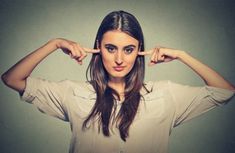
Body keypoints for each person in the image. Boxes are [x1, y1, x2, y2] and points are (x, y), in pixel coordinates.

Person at [1, 10, 235, 153]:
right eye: (111, 48)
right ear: (98, 49)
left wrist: (181, 55)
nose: (120, 59)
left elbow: (224, 91)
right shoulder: (73, 93)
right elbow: (12, 78)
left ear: (139, 51)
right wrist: (54, 44)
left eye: (129, 49)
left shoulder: (166, 95)